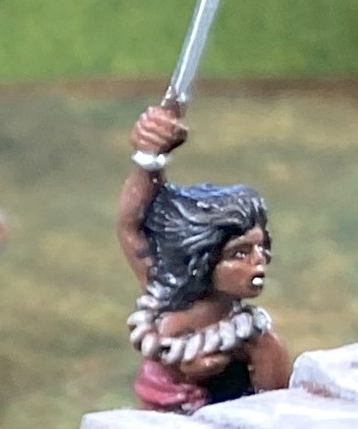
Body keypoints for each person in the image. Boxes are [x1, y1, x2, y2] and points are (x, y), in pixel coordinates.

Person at [115, 104, 286, 412]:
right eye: (239, 253)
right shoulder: (165, 291)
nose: (259, 261)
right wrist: (149, 158)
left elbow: (275, 413)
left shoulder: (254, 340)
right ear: (200, 261)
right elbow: (131, 224)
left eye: (260, 248)